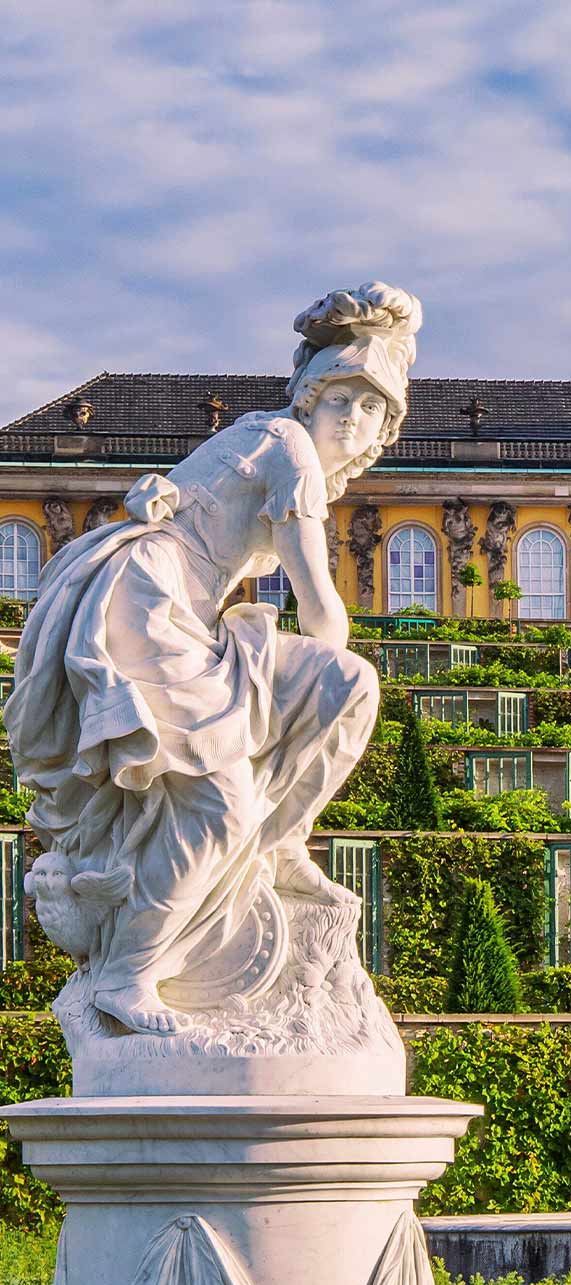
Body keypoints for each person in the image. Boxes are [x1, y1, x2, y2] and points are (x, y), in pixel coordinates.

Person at [7, 284, 421, 1036]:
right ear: (308, 399)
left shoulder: (273, 442)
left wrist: (314, 697)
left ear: (383, 429)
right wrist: (298, 700)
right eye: (339, 400)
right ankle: (128, 974)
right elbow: (318, 602)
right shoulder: (287, 446)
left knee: (350, 686)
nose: (352, 418)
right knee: (222, 802)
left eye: (371, 408)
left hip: (188, 620)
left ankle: (278, 841)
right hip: (148, 605)